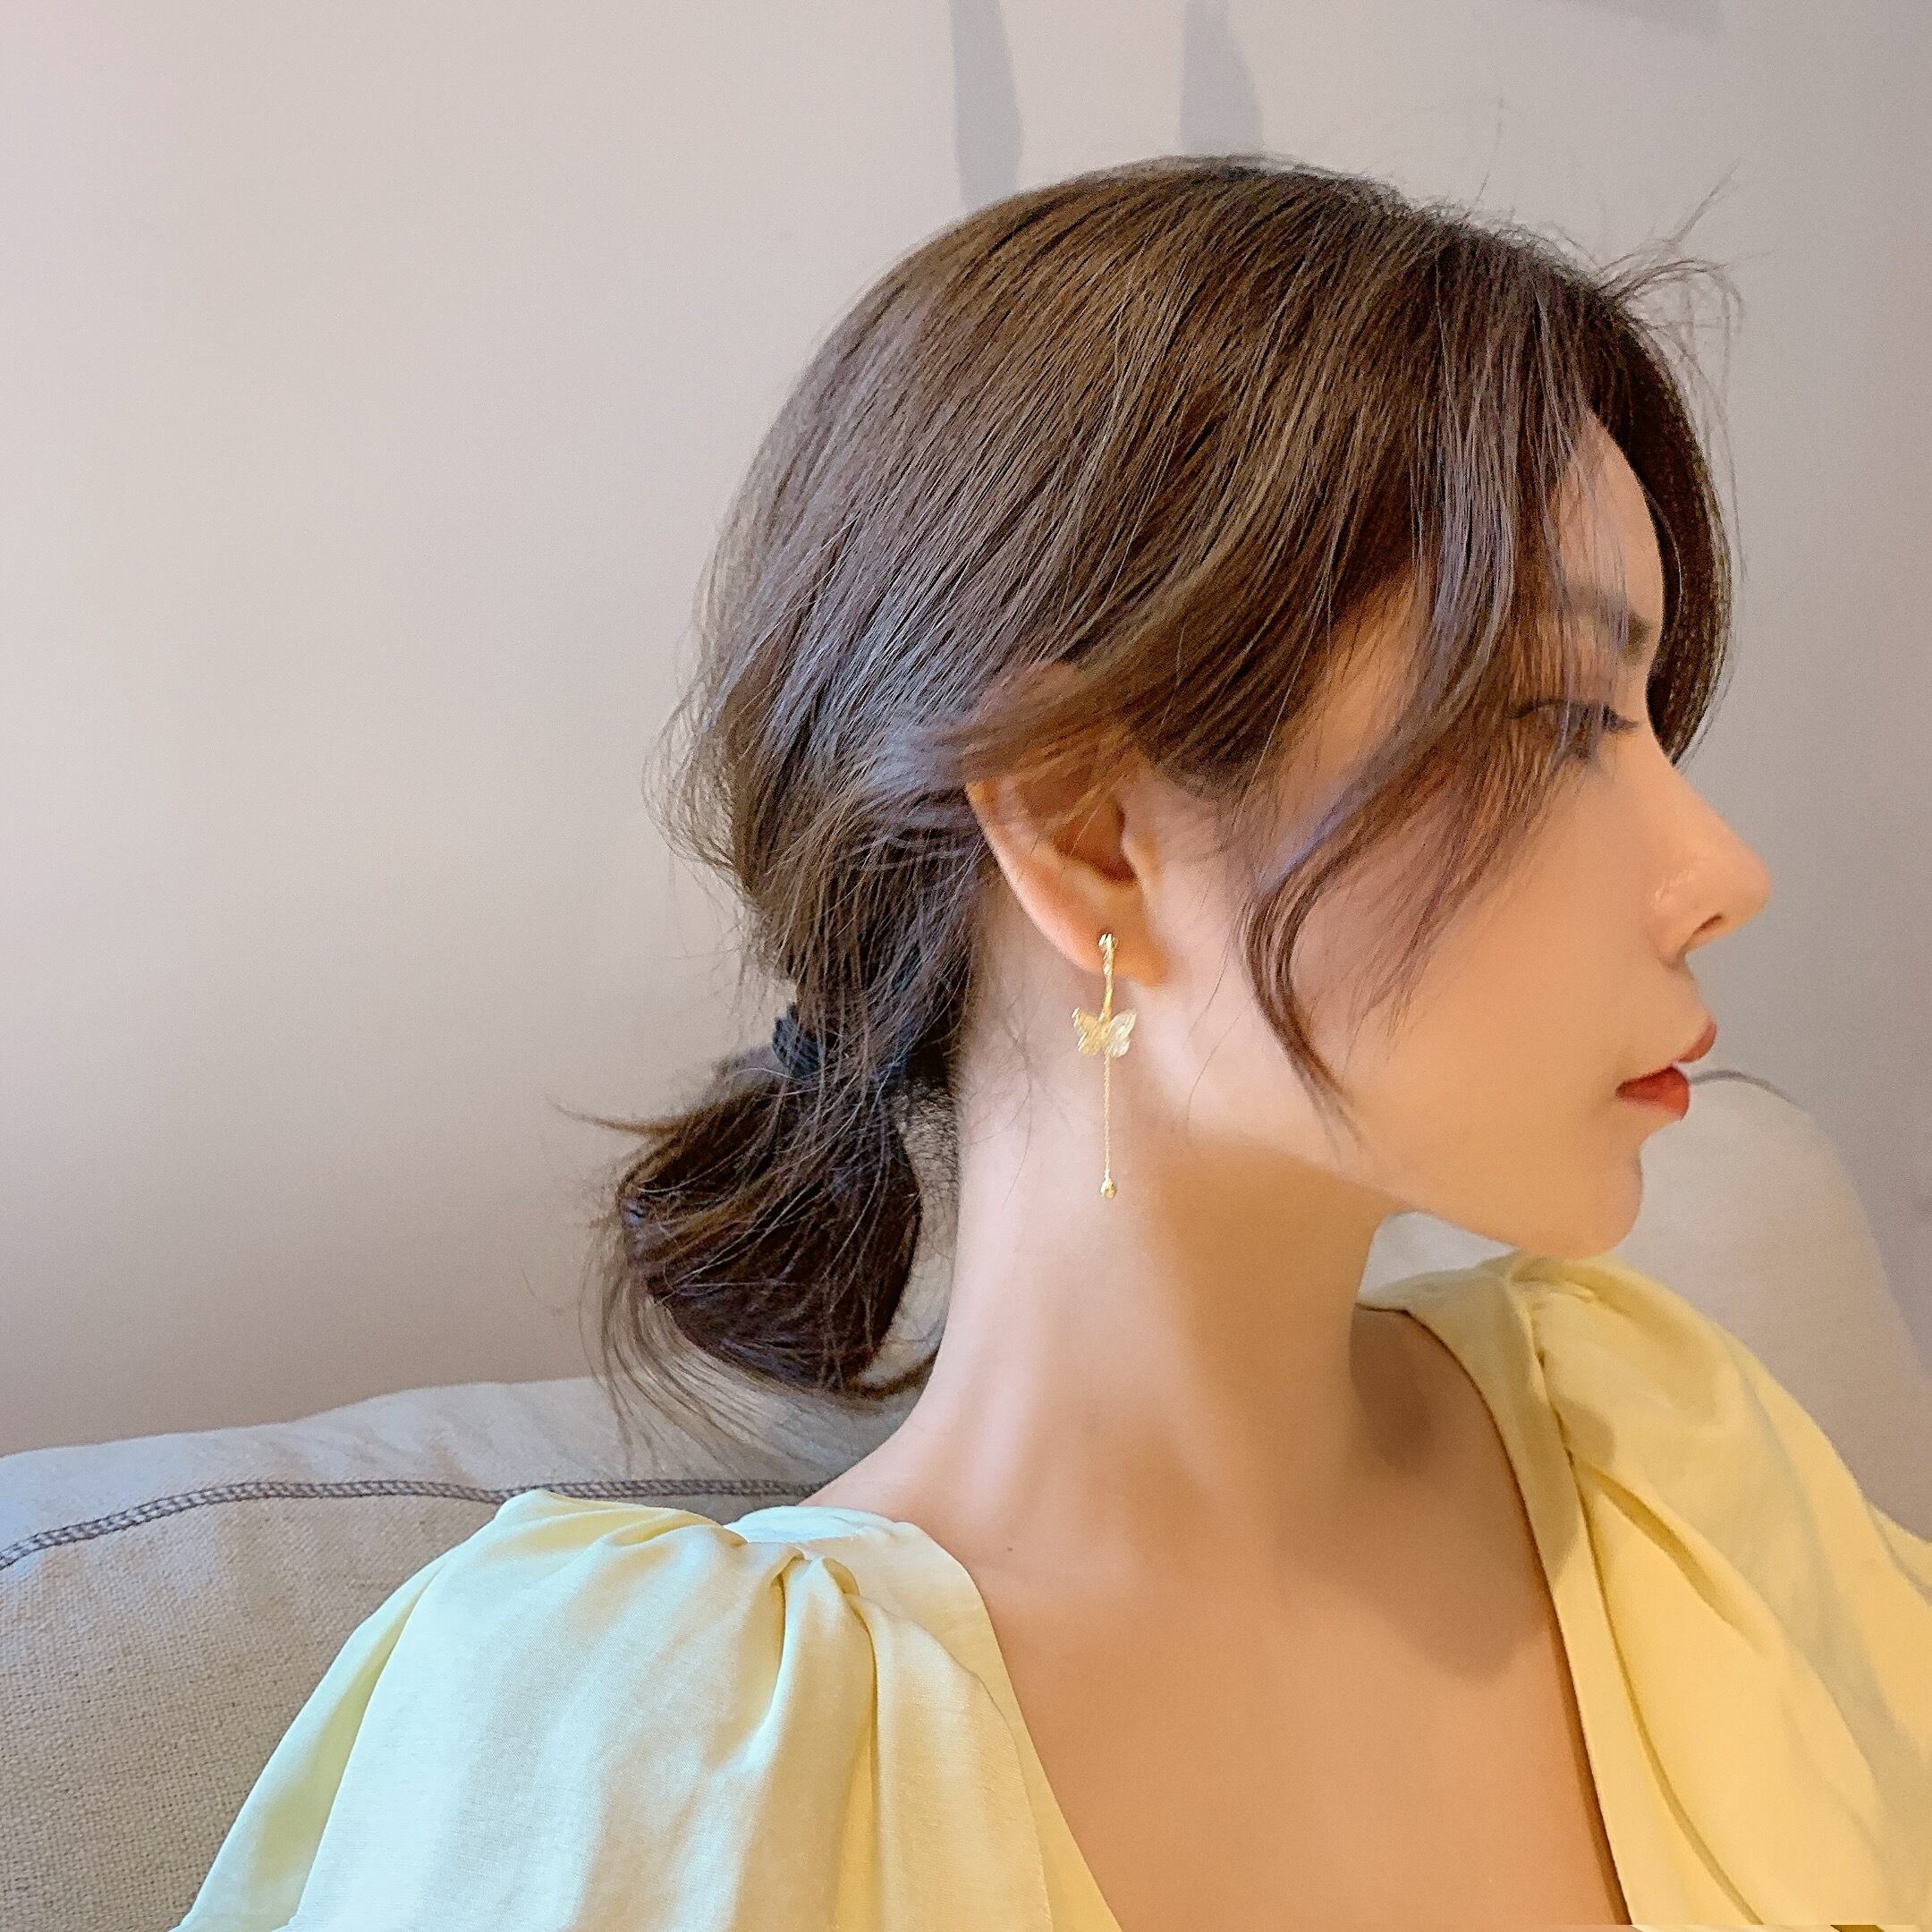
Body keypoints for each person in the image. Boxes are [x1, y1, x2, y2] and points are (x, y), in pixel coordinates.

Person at [173, 155, 1932, 1931]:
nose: (1721, 871)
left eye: (1650, 720)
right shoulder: (634, 1756)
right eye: (1555, 722)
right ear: (1090, 831)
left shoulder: (1667, 1460)